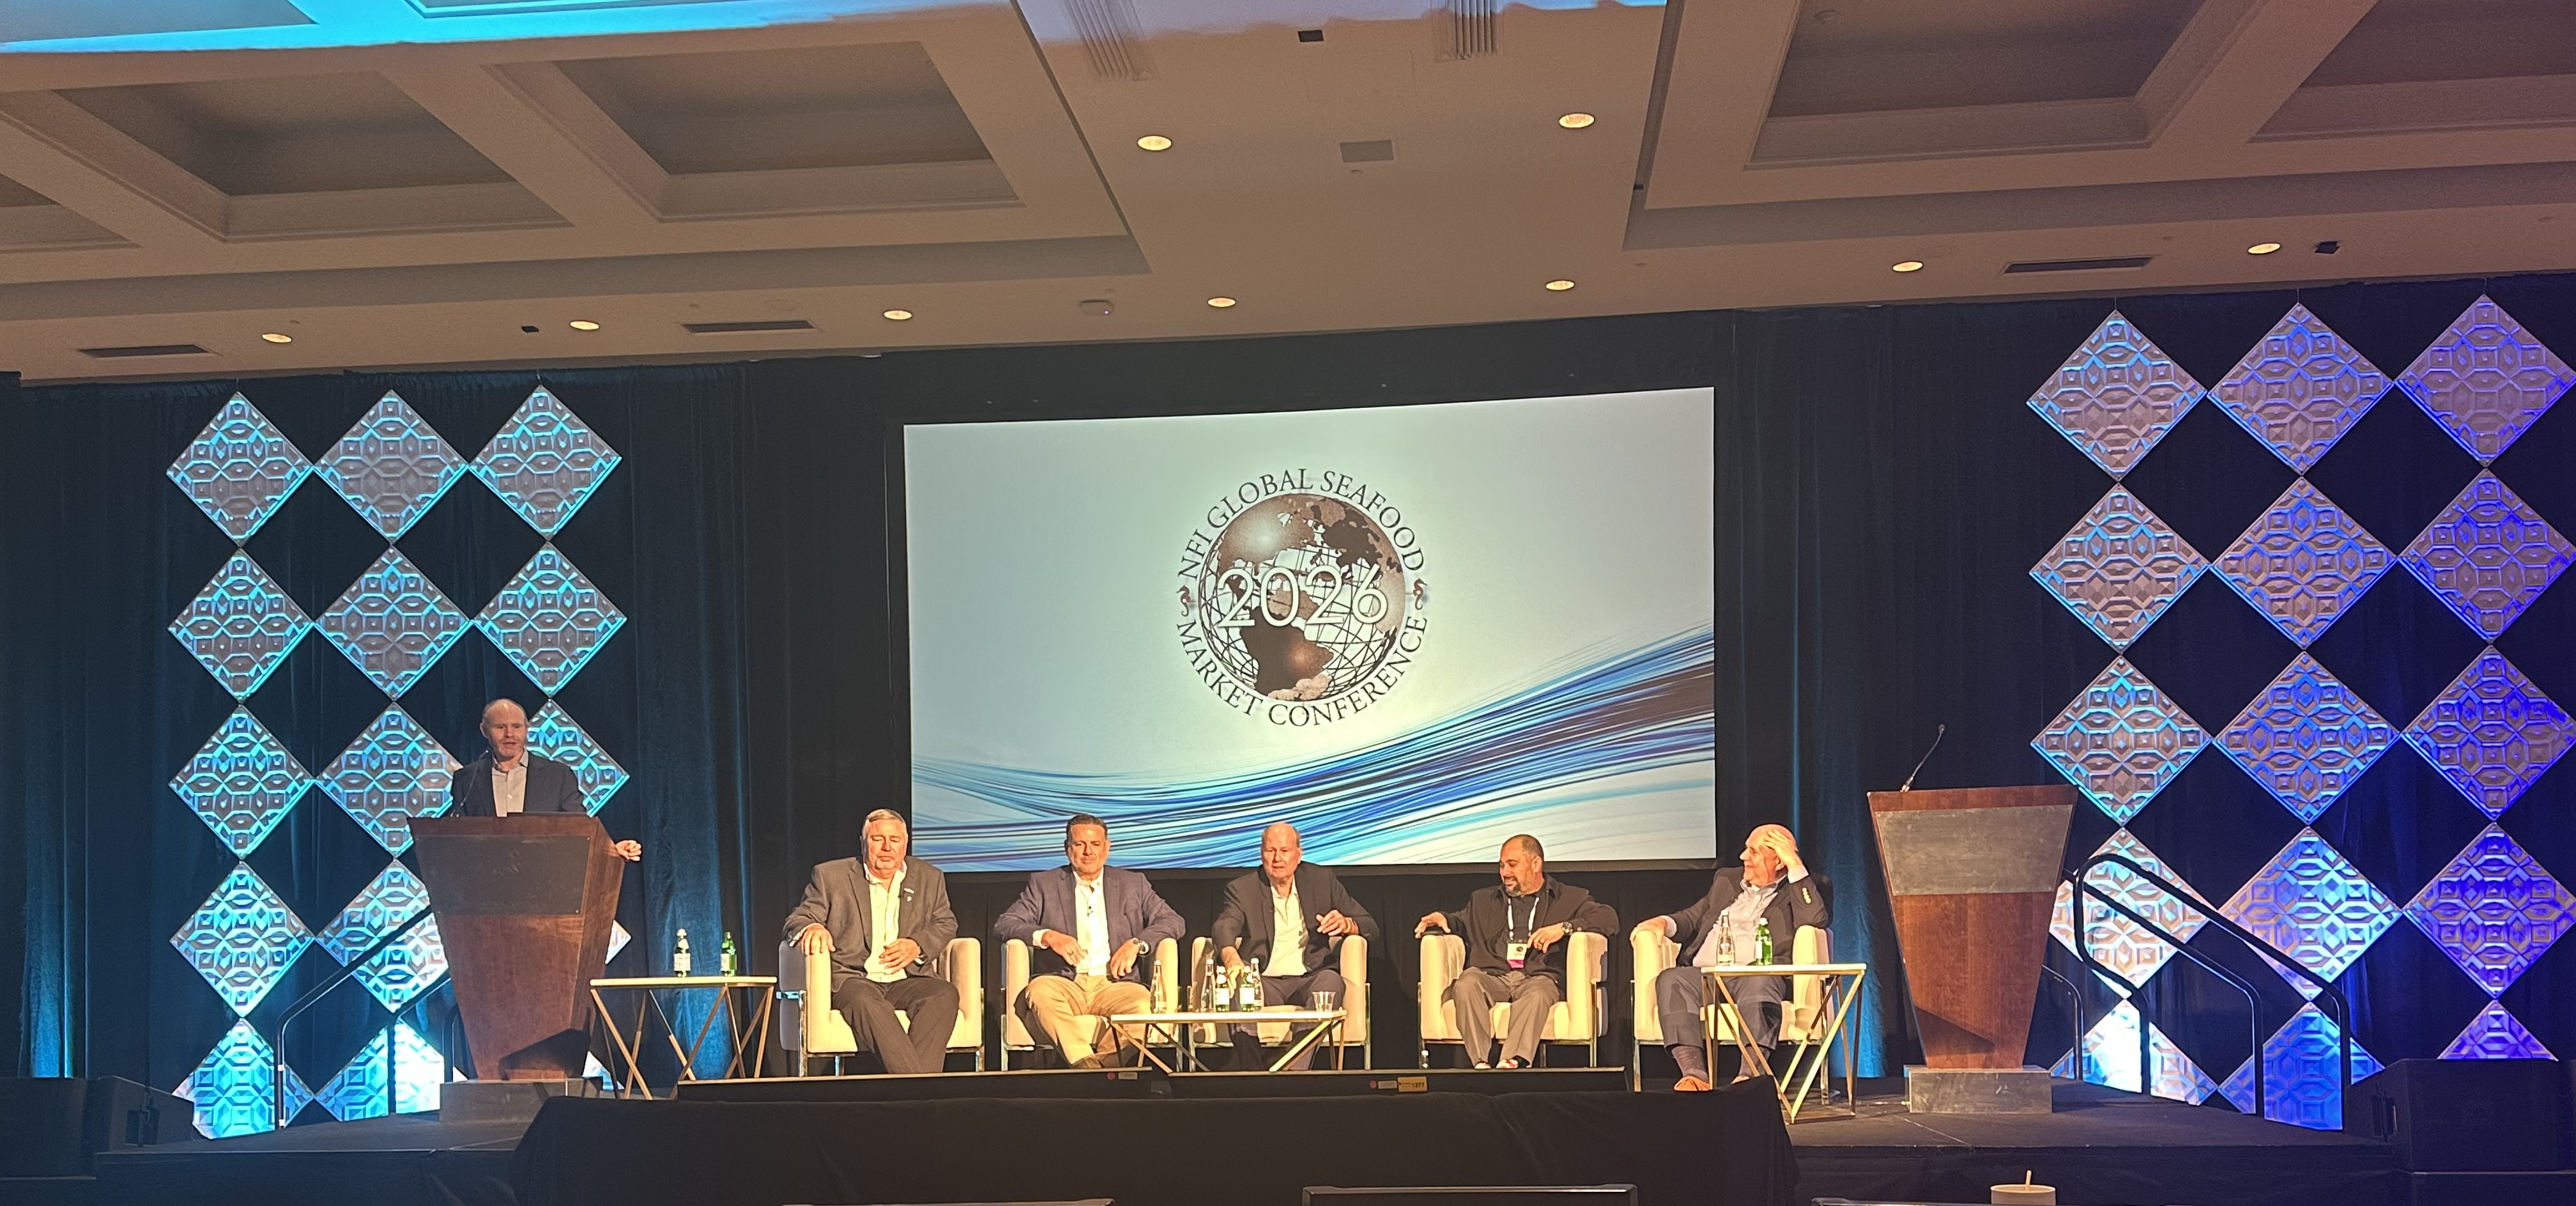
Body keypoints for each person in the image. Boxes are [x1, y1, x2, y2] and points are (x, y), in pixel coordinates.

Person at [1635, 824, 1830, 1090]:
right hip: (1707, 976)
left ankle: (1748, 1079)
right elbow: (1694, 916)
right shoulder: (1727, 880)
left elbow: (1815, 919)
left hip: (1757, 975)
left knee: (1759, 982)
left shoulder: (1805, 886)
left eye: (1754, 852)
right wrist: (1663, 922)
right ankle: (1694, 1076)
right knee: (1672, 979)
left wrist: (1795, 865)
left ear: (1779, 862)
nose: (1743, 857)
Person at [995, 814, 1186, 1068]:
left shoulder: (1133, 884)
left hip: (1115, 985)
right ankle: (1092, 1071)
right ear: (1068, 848)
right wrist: (1049, 937)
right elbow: (1006, 923)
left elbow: (1173, 921)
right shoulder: (1044, 884)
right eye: (1080, 844)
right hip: (1065, 983)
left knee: (1144, 1005)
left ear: (1107, 847)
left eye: (1095, 844)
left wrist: (1137, 944)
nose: (1088, 852)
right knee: (1039, 991)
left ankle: (1095, 1071)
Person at [781, 809, 962, 1075]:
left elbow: (946, 923)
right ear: (863, 842)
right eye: (878, 839)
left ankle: (913, 1089)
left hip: (907, 979)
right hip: (854, 980)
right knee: (867, 1002)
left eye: (894, 840)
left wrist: (917, 945)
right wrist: (814, 926)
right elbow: (798, 919)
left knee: (944, 994)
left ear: (905, 843)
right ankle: (921, 1090)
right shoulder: (831, 876)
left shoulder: (929, 877)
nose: (887, 847)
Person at [1414, 835, 1616, 1069]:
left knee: (1537, 995)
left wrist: (1563, 928)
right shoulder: (1483, 899)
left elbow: (1608, 918)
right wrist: (1444, 919)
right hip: (1494, 975)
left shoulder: (1570, 898)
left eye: (1512, 865)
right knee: (1467, 983)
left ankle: (1512, 1061)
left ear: (1536, 864)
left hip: (1539, 977)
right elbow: (1461, 921)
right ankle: (1480, 1062)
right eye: (1502, 866)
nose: (1505, 872)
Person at [1210, 823, 1378, 1069]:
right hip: (1263, 981)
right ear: (1261, 854)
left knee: (1331, 982)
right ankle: (1253, 1076)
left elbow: (1370, 925)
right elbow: (1224, 925)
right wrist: (1231, 957)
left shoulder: (1321, 880)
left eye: (1285, 851)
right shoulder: (1242, 889)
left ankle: (1293, 1072)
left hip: (1310, 977)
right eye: (1270, 851)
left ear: (1298, 855)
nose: (1277, 859)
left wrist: (1347, 924)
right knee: (1239, 984)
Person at [449, 698, 639, 861]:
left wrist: (610, 850)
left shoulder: (559, 775)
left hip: (545, 877)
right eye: (500, 727)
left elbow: (579, 829)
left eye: (517, 727)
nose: (509, 734)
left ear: (527, 729)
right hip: (486, 878)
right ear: (484, 731)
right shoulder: (466, 779)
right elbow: (456, 837)